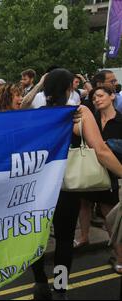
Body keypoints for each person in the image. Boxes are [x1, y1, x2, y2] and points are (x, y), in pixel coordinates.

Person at [30, 69, 122, 300]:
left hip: (38, 188)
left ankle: (40, 282)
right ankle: (60, 288)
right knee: (63, 240)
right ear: (70, 89)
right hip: (66, 187)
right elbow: (100, 150)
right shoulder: (78, 113)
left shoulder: (36, 115)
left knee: (35, 240)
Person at [74, 86, 122, 248]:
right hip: (90, 169)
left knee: (109, 213)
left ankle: (119, 256)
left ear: (112, 97)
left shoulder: (120, 120)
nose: (97, 100)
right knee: (84, 204)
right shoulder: (90, 119)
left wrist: (109, 145)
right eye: (94, 98)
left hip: (112, 172)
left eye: (101, 96)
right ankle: (84, 237)